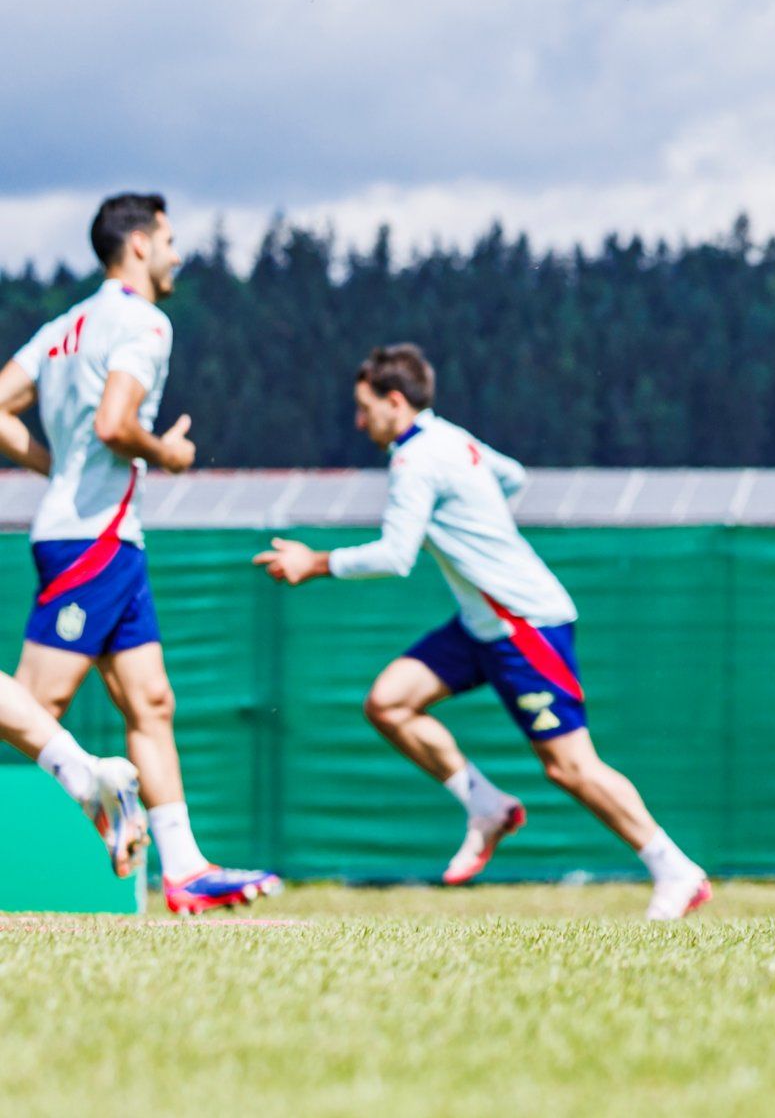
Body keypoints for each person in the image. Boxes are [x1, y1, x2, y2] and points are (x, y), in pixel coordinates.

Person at [253, 345, 711, 921]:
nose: (358, 421)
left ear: (396, 402)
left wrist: (314, 563)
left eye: (364, 407)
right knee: (388, 703)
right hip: (482, 624)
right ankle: (486, 806)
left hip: (524, 625)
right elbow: (511, 477)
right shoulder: (452, 438)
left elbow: (396, 556)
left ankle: (675, 869)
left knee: (569, 766)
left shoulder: (415, 459)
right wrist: (479, 524)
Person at [0, 194, 271, 915]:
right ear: (142, 245)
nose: (178, 255)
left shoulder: (65, 327)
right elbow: (117, 423)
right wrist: (169, 454)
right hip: (92, 537)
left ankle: (183, 868)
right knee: (33, 703)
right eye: (172, 240)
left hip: (105, 534)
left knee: (152, 701)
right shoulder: (145, 322)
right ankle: (51, 855)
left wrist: (54, 466)